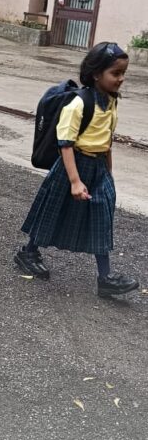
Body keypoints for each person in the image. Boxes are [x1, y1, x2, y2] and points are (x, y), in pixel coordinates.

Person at [14, 42, 139, 298]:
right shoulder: (78, 104)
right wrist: (74, 181)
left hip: (98, 168)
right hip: (72, 166)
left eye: (123, 73)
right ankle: (28, 252)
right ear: (96, 74)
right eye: (115, 73)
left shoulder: (111, 101)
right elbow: (65, 144)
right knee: (53, 211)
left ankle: (105, 278)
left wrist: (108, 174)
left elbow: (106, 140)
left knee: (101, 218)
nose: (121, 79)